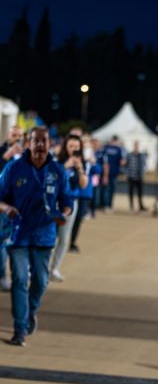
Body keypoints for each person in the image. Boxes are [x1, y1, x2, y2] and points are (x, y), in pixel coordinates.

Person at [0, 126, 73, 346]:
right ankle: (19, 329)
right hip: (18, 235)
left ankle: (30, 311)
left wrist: (63, 215)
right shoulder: (14, 168)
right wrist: (7, 209)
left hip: (44, 235)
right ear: (28, 143)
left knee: (40, 282)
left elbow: (67, 201)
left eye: (44, 141)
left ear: (50, 144)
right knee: (20, 280)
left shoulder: (58, 171)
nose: (40, 145)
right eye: (35, 141)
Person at [50, 134, 88, 281]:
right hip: (54, 202)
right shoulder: (56, 160)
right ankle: (37, 268)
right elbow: (52, 177)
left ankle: (55, 269)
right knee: (49, 236)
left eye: (77, 147)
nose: (74, 149)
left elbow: (84, 184)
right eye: (71, 146)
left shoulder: (82, 162)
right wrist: (66, 165)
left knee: (64, 238)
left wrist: (80, 169)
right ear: (65, 146)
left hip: (71, 203)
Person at [0, 126, 25, 291]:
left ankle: (18, 276)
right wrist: (7, 156)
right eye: (13, 135)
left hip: (21, 205)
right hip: (3, 205)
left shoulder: (26, 154)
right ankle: (2, 276)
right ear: (8, 136)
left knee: (18, 243)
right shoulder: (2, 152)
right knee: (2, 242)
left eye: (19, 136)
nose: (16, 138)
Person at [103, 135, 126, 211]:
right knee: (110, 190)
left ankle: (107, 205)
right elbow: (123, 162)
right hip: (111, 172)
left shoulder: (106, 148)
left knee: (108, 189)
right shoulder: (119, 149)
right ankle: (108, 205)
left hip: (110, 172)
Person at [126, 141, 147, 211]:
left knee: (140, 192)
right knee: (131, 192)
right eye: (135, 146)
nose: (136, 147)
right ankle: (131, 206)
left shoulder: (141, 155)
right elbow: (126, 164)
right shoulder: (129, 155)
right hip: (131, 176)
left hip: (139, 177)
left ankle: (141, 206)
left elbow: (144, 165)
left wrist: (142, 174)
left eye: (137, 146)